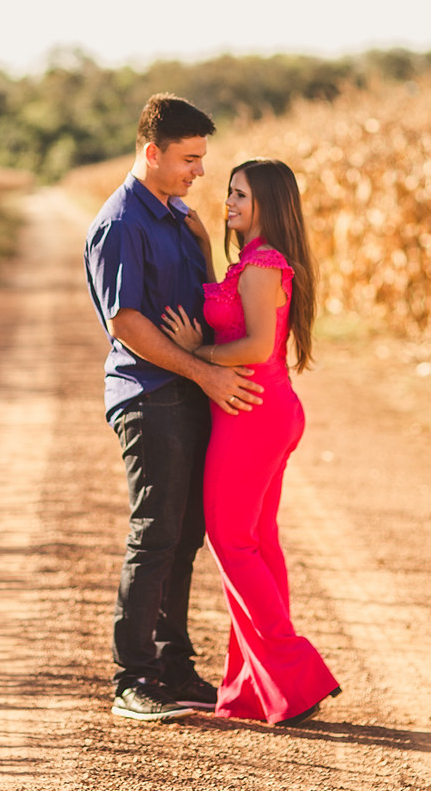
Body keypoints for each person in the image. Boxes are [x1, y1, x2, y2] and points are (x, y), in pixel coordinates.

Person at [84, 96, 264, 723]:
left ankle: (174, 666)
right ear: (151, 152)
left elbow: (202, 305)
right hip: (148, 395)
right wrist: (205, 373)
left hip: (186, 392)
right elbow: (127, 321)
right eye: (189, 159)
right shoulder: (122, 223)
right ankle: (132, 680)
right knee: (155, 533)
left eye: (203, 159)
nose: (200, 172)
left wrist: (204, 244)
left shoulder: (177, 218)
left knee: (185, 536)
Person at [161, 158, 341, 725]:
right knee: (258, 542)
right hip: (267, 411)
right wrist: (205, 250)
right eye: (230, 193)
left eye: (239, 194)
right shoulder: (257, 262)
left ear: (266, 201)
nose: (228, 202)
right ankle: (253, 690)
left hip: (251, 415)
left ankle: (295, 670)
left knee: (231, 541)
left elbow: (257, 345)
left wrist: (196, 355)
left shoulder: (263, 265)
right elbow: (236, 312)